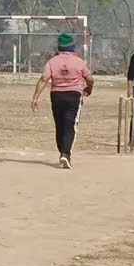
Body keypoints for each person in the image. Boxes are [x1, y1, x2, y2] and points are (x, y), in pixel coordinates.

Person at [30, 32, 94, 169]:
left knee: (60, 126)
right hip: (74, 95)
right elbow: (90, 78)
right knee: (69, 126)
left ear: (59, 47)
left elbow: (43, 79)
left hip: (57, 95)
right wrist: (89, 89)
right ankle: (65, 154)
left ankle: (62, 152)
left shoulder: (52, 61)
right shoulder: (79, 61)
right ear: (72, 47)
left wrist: (35, 97)